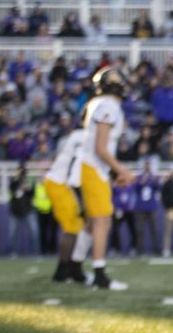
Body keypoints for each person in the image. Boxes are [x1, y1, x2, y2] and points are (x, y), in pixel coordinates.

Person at [70, 67, 133, 290]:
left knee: (93, 222)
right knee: (102, 221)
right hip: (92, 167)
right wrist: (122, 171)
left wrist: (113, 172)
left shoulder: (100, 103)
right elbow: (101, 148)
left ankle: (75, 267)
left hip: (93, 168)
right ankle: (99, 274)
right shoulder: (108, 105)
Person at [45, 129, 88, 283]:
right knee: (72, 229)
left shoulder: (79, 134)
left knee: (77, 227)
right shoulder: (87, 139)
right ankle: (62, 272)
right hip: (61, 184)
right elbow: (74, 177)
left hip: (58, 181)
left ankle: (69, 269)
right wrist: (82, 204)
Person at [8, 163, 40, 255]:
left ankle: (36, 252)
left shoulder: (30, 179)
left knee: (34, 232)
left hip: (28, 209)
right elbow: (11, 190)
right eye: (18, 170)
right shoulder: (14, 180)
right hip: (15, 210)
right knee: (13, 233)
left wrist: (27, 189)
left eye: (21, 170)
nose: (20, 172)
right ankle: (13, 252)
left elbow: (33, 193)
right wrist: (17, 181)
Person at [133, 163, 162, 256]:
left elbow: (158, 187)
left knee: (154, 229)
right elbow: (135, 188)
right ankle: (139, 250)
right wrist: (142, 182)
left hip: (151, 207)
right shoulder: (139, 177)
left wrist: (154, 180)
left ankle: (156, 249)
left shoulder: (153, 177)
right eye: (146, 165)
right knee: (140, 230)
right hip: (141, 207)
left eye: (148, 165)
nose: (147, 167)